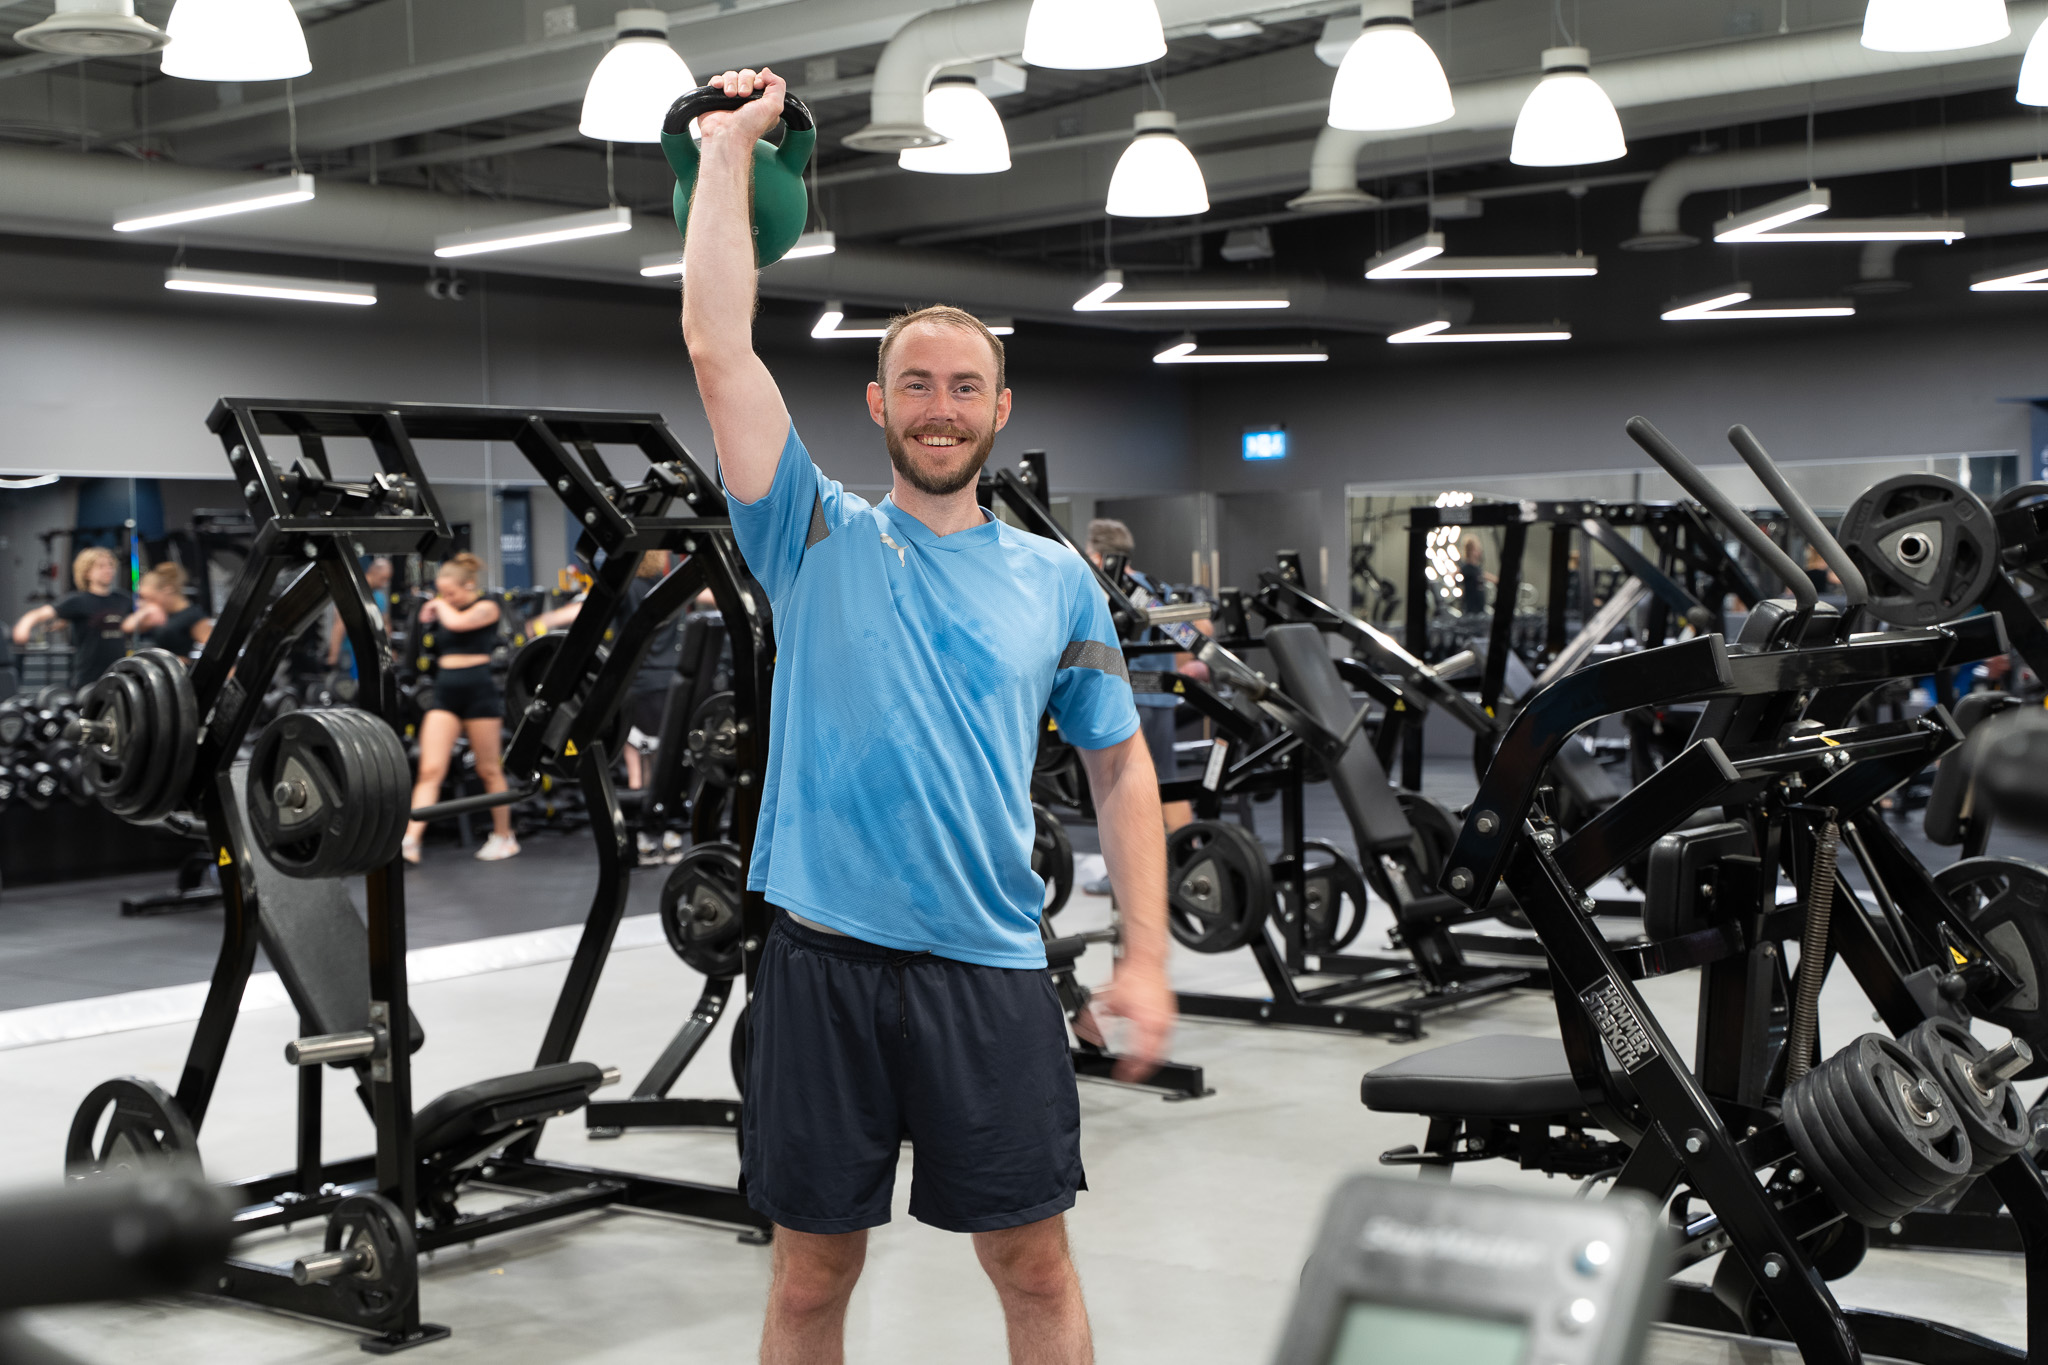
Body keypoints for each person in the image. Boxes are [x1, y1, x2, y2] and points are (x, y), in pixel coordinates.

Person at [684, 66, 1173, 1365]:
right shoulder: (810, 535)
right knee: (808, 1281)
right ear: (878, 403)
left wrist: (1146, 953)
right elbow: (719, 349)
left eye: (964, 387)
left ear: (999, 410)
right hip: (822, 965)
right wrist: (726, 152)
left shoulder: (1056, 579)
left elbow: (1121, 769)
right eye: (916, 384)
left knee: (1033, 1267)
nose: (940, 407)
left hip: (989, 970)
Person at [1079, 520, 1209, 896]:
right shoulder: (1155, 588)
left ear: (1097, 555)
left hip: (1127, 702)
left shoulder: (1108, 587)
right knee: (1166, 783)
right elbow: (1193, 634)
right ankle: (1192, 866)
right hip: (1161, 700)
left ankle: (1124, 878)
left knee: (1120, 791)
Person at [401, 552, 519, 863]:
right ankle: (410, 841)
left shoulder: (487, 607)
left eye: (450, 593)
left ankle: (504, 836)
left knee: (488, 769)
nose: (446, 598)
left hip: (479, 693)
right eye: (443, 593)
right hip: (445, 693)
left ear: (468, 585)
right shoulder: (446, 608)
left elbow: (459, 623)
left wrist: (438, 604)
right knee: (430, 769)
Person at [13, 547, 133, 690]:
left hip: (118, 676)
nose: (108, 570)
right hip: (88, 679)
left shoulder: (123, 599)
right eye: (101, 566)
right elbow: (38, 614)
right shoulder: (78, 601)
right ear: (87, 572)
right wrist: (24, 626)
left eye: (110, 565)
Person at [122, 562, 212, 661]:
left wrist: (177, 661)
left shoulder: (193, 615)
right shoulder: (159, 614)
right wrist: (145, 611)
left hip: (177, 668)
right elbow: (127, 627)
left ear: (167, 590)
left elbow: (213, 651)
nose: (147, 603)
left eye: (151, 598)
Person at [325, 556, 392, 675]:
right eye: (383, 578)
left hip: (370, 655)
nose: (384, 583)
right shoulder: (352, 592)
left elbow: (385, 625)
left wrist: (387, 651)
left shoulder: (380, 597)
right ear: (373, 572)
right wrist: (333, 655)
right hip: (351, 654)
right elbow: (339, 625)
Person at [1457, 535, 1494, 617]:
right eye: (1477, 549)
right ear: (1471, 551)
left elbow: (1483, 575)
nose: (1480, 551)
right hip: (1471, 612)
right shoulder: (1467, 568)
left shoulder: (1477, 569)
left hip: (1480, 609)